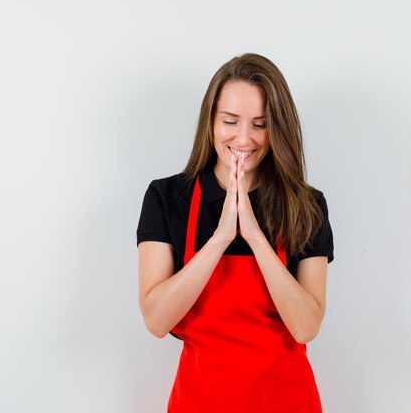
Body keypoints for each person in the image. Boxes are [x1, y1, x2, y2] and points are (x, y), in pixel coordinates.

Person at [136, 53, 334, 413]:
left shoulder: (306, 205)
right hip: (199, 402)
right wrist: (221, 237)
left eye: (260, 124)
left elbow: (306, 327)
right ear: (210, 121)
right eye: (231, 121)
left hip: (287, 401)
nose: (244, 138)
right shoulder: (166, 198)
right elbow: (156, 319)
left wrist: (256, 237)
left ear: (278, 129)